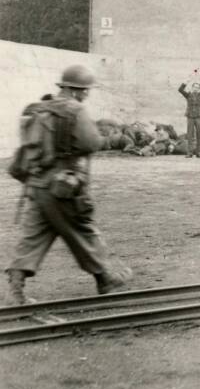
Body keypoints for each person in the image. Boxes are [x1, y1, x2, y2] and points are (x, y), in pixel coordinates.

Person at [5, 65, 132, 304]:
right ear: (78, 91)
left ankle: (15, 291)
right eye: (86, 91)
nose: (86, 95)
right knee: (82, 229)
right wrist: (108, 137)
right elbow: (90, 143)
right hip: (63, 187)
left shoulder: (41, 108)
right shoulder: (75, 111)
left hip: (36, 185)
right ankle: (105, 278)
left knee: (34, 236)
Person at [178, 76, 200, 158]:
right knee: (190, 135)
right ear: (192, 87)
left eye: (197, 87)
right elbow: (180, 89)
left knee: (199, 135)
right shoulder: (188, 95)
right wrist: (186, 81)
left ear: (199, 89)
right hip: (190, 116)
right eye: (194, 87)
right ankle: (189, 153)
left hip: (199, 116)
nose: (195, 88)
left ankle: (199, 153)